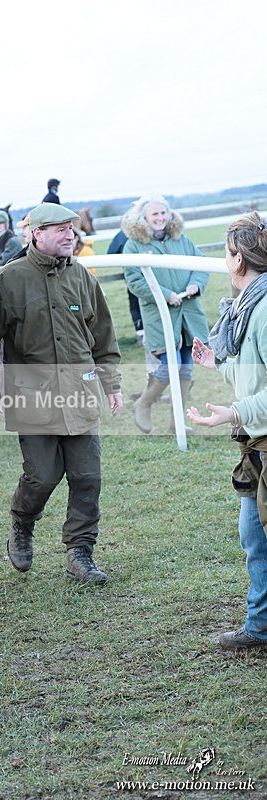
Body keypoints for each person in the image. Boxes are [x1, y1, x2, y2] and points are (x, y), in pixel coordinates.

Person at [0, 203, 123, 584]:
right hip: (33, 398)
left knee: (87, 477)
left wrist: (111, 383)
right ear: (35, 234)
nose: (69, 235)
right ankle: (22, 523)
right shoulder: (7, 281)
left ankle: (80, 554)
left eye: (71, 229)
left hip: (80, 393)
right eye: (59, 229)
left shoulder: (81, 276)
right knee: (42, 477)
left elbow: (104, 335)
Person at [187, 213, 267, 651]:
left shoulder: (264, 309)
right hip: (256, 444)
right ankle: (259, 627)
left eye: (226, 253)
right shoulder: (249, 307)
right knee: (253, 535)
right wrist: (217, 363)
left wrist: (232, 413)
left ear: (238, 261)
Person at [122, 193, 209, 434]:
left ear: (170, 214)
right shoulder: (133, 245)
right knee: (170, 365)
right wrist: (165, 294)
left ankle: (176, 424)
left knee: (187, 367)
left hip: (188, 312)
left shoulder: (182, 239)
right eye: (155, 214)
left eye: (163, 213)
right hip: (160, 313)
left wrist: (196, 285)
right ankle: (144, 402)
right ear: (144, 218)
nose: (160, 218)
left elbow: (200, 265)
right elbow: (135, 281)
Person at [108, 228, 144, 346]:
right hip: (155, 275)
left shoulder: (123, 234)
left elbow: (111, 253)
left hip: (133, 276)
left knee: (135, 304)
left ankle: (141, 333)